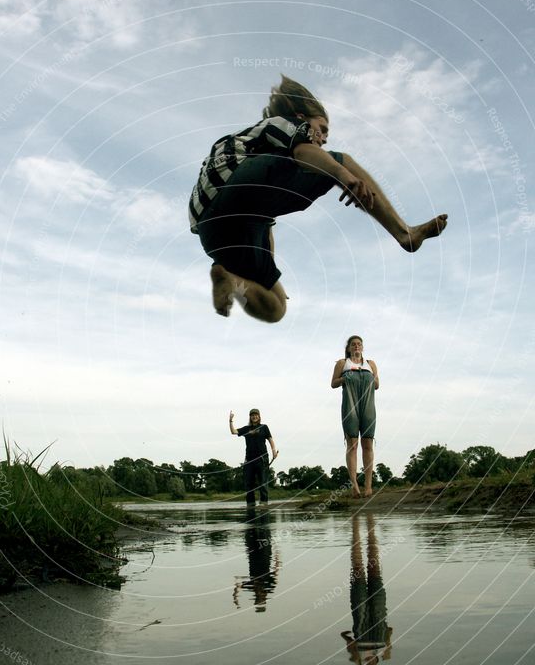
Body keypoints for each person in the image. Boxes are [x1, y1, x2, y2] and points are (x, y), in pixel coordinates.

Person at [189, 75, 448, 323]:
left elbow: (264, 219)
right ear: (301, 117)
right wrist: (344, 175)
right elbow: (303, 150)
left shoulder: (260, 166)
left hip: (213, 232)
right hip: (236, 185)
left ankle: (230, 282)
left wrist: (264, 270)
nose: (324, 139)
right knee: (340, 159)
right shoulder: (283, 124)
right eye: (322, 129)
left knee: (276, 306)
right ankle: (405, 235)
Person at [341, 514, 392, 665]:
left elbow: (349, 642)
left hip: (360, 606)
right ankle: (370, 522)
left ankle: (355, 523)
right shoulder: (385, 655)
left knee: (358, 566)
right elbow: (389, 633)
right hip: (378, 608)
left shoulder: (357, 659)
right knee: (374, 566)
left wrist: (347, 637)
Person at [331, 335, 378, 497]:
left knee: (368, 443)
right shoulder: (343, 363)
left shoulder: (371, 364)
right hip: (350, 404)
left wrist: (369, 378)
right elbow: (333, 383)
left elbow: (377, 385)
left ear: (362, 347)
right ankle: (354, 486)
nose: (356, 346)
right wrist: (345, 378)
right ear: (349, 348)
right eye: (353, 344)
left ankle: (368, 486)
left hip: (368, 405)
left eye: (359, 344)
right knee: (352, 444)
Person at [229, 408, 278, 506]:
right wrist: (230, 420)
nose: (254, 416)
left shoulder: (264, 427)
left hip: (262, 459)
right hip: (249, 459)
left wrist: (273, 451)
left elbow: (270, 439)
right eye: (252, 415)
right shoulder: (246, 429)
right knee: (249, 484)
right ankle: (250, 505)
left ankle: (264, 504)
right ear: (250, 417)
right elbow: (233, 432)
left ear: (259, 417)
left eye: (256, 415)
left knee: (263, 482)